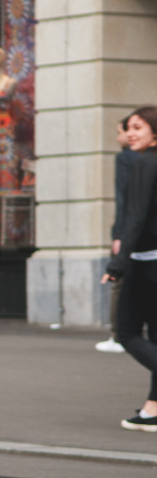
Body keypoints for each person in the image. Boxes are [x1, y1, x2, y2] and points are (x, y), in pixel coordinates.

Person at [101, 105, 157, 432]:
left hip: (144, 262)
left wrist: (117, 265)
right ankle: (153, 410)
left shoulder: (142, 162)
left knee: (127, 332)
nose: (131, 132)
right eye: (129, 127)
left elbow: (134, 217)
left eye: (139, 127)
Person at [97, 115, 137, 353]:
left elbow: (126, 202)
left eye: (134, 129)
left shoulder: (127, 159)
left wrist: (119, 235)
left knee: (119, 283)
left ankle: (117, 334)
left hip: (134, 234)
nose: (122, 136)